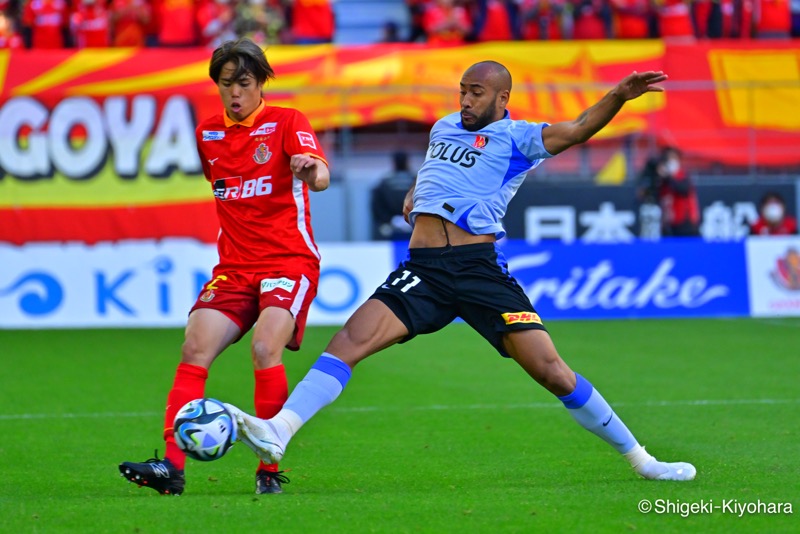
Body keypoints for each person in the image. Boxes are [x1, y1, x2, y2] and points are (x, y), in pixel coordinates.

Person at [226, 61, 697, 485]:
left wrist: (617, 96)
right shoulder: (444, 127)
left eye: (476, 93)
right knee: (347, 343)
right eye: (462, 92)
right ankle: (279, 432)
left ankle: (641, 459)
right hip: (424, 270)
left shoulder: (520, 138)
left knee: (553, 373)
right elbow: (438, 168)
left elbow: (576, 129)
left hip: (477, 271)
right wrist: (416, 190)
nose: (466, 101)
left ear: (501, 98)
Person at [118, 37, 331, 496]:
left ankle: (268, 471)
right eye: (225, 84)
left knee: (263, 348)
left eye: (244, 82)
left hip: (288, 261)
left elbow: (321, 174)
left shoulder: (287, 122)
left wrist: (311, 169)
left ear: (261, 84)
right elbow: (221, 185)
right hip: (234, 267)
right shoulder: (207, 134)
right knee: (195, 347)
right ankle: (171, 470)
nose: (234, 92)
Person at [638, 145, 700, 237]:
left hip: (685, 224)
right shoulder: (662, 180)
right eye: (668, 158)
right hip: (668, 224)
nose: (671, 161)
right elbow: (651, 195)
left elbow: (683, 189)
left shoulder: (683, 176)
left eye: (673, 157)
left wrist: (668, 176)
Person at [370, 151, 416, 240]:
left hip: (388, 228)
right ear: (407, 162)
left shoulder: (384, 182)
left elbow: (377, 205)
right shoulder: (417, 180)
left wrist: (390, 219)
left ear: (394, 163)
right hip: (414, 225)